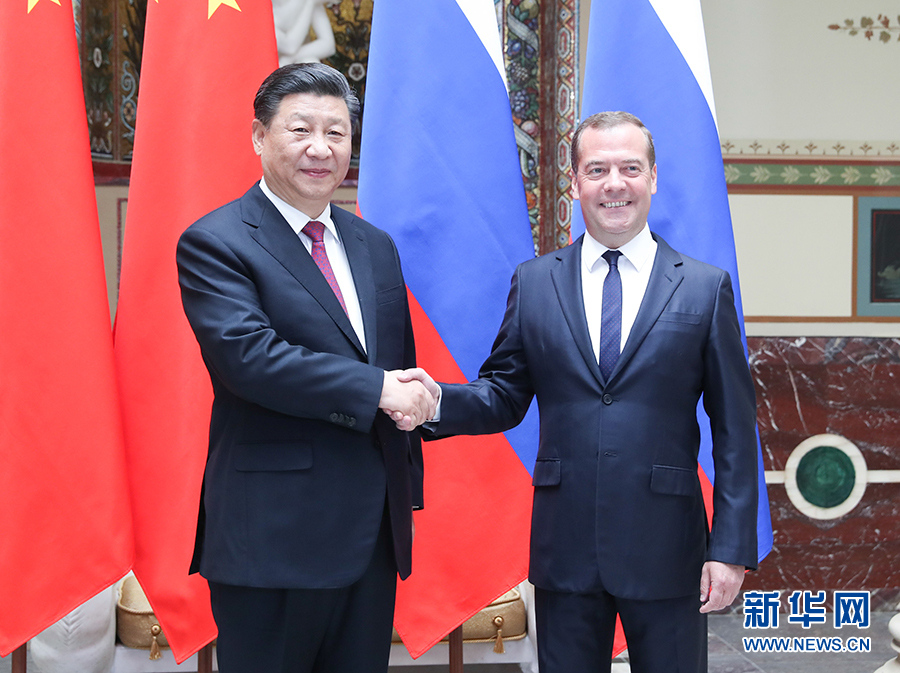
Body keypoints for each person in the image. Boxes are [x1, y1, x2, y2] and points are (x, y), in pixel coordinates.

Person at [394, 111, 759, 673]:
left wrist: (730, 550)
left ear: (653, 177)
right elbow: (503, 394)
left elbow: (735, 428)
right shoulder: (535, 282)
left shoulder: (704, 288)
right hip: (564, 549)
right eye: (597, 169)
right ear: (575, 183)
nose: (615, 184)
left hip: (668, 547)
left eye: (630, 168)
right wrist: (434, 401)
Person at [176, 62, 435, 673]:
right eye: (301, 130)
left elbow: (396, 365)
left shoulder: (374, 245)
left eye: (336, 133)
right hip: (273, 539)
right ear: (259, 136)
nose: (321, 148)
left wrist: (408, 478)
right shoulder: (216, 241)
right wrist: (378, 389)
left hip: (370, 536)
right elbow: (251, 359)